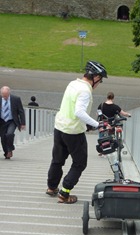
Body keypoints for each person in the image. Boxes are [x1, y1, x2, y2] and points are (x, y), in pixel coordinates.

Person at [46, 60, 108, 204]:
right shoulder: (85, 91)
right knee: (79, 163)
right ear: (96, 77)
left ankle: (52, 187)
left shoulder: (73, 84)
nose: (99, 84)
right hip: (73, 132)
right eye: (101, 80)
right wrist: (97, 124)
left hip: (60, 127)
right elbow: (79, 111)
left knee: (57, 160)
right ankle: (64, 193)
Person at [0, 86, 26, 159]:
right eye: (3, 95)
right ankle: (6, 152)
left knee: (9, 134)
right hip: (2, 121)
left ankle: (10, 149)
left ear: (9, 93)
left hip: (12, 121)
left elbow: (21, 111)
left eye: (6, 95)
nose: (4, 97)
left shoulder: (16, 99)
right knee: (3, 138)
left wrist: (23, 123)